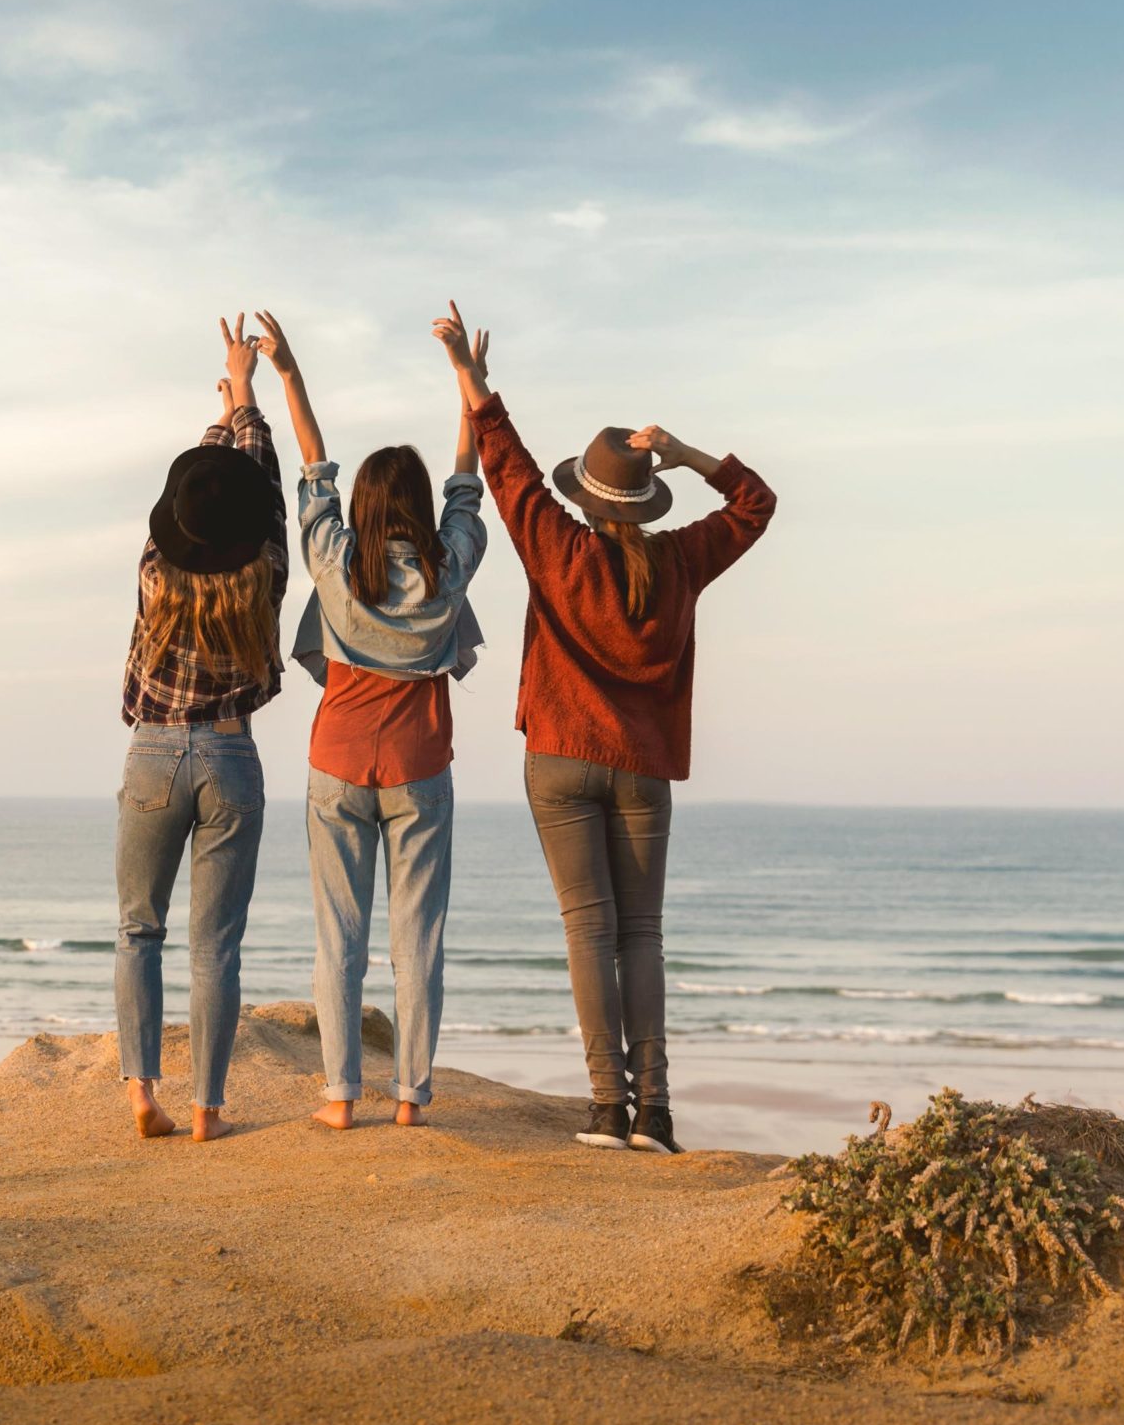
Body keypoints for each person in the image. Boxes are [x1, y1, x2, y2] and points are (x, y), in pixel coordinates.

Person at [434, 302, 775, 1155]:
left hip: (558, 757)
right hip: (643, 766)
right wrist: (689, 453)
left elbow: (507, 470)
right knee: (641, 935)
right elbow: (756, 503)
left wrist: (472, 383)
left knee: (588, 930)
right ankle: (655, 1112)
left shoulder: (559, 547)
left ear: (585, 496)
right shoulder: (680, 560)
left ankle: (605, 1110)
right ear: (648, 500)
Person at [254, 310, 487, 1130]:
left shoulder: (333, 562)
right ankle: (411, 1100)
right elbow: (468, 483)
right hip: (421, 766)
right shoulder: (449, 565)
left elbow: (313, 467)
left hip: (338, 765)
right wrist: (469, 384)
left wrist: (287, 373)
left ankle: (339, 1095)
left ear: (362, 504)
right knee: (416, 939)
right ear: (418, 509)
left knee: (338, 940)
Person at [113, 315, 290, 1143]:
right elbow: (247, 492)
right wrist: (247, 394)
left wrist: (221, 412)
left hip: (153, 746)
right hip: (231, 751)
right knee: (214, 942)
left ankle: (142, 1091)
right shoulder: (265, 572)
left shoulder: (155, 569)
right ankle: (206, 1108)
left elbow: (198, 493)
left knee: (138, 927)